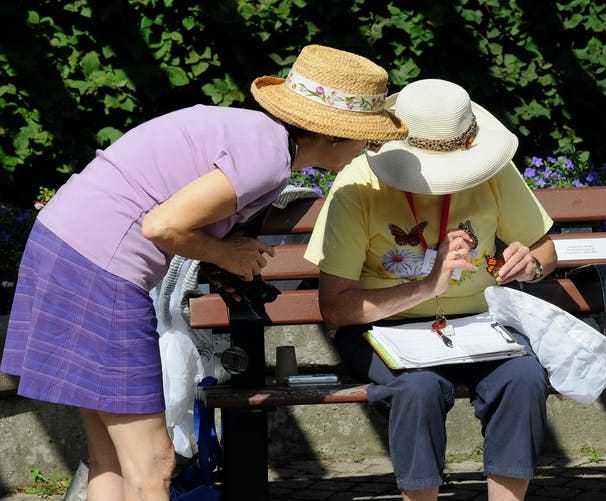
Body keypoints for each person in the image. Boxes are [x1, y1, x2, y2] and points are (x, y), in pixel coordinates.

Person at [0, 44, 406, 501]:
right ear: (330, 136)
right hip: (101, 271)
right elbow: (163, 225)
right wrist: (227, 256)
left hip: (63, 249)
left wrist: (220, 255)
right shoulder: (265, 155)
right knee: (155, 460)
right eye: (365, 137)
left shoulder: (256, 136)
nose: (367, 148)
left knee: (112, 456)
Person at [304, 78, 557, 501]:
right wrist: (426, 286)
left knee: (523, 377)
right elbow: (336, 309)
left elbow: (544, 249)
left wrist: (531, 266)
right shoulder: (356, 185)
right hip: (383, 329)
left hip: (479, 326)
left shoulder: (492, 169)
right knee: (418, 388)